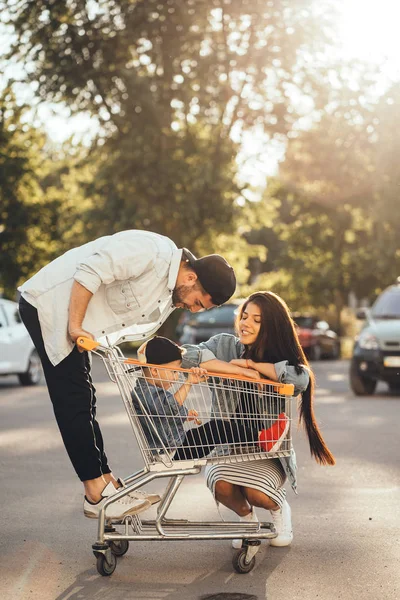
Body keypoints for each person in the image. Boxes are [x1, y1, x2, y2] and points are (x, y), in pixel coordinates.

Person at [17, 230, 236, 520]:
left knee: (86, 399)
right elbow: (90, 271)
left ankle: (107, 482)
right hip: (51, 308)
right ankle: (96, 493)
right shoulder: (152, 251)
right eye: (198, 302)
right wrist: (75, 326)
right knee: (73, 399)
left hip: (76, 323)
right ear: (191, 278)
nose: (192, 309)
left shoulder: (168, 293)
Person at [179, 291, 335, 547]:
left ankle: (278, 509)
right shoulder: (224, 345)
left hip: (267, 453)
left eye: (256, 320)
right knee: (221, 484)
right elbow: (189, 356)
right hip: (228, 449)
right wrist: (235, 369)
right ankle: (247, 518)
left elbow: (299, 379)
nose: (245, 323)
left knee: (256, 492)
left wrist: (253, 367)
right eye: (244, 316)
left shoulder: (282, 360)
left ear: (272, 326)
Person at [132, 336, 286, 455]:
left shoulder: (148, 389)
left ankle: (264, 438)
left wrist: (184, 414)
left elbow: (162, 414)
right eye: (174, 371)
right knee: (217, 428)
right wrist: (189, 383)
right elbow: (168, 408)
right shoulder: (146, 392)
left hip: (174, 446)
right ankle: (264, 439)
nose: (177, 377)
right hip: (172, 450)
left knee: (217, 428)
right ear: (154, 371)